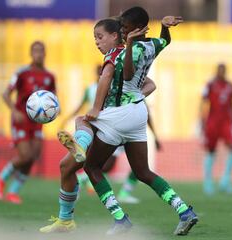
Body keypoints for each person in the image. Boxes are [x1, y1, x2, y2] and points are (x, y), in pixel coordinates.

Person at [58, 7, 197, 235]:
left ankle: (119, 217)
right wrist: (164, 26)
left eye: (125, 28)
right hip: (138, 113)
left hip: (120, 113)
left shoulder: (120, 53)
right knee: (143, 172)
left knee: (89, 151)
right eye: (121, 28)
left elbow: (127, 75)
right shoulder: (152, 45)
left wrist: (95, 108)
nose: (122, 32)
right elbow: (164, 43)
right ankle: (184, 211)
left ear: (136, 29)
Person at [39, 18, 157, 233]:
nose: (96, 41)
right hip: (114, 122)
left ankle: (81, 148)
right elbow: (150, 84)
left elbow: (119, 81)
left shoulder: (117, 57)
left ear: (115, 36)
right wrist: (133, 99)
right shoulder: (118, 59)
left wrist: (110, 105)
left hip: (110, 124)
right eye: (94, 38)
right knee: (67, 167)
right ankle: (66, 220)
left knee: (83, 126)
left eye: (99, 37)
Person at [61, 65, 162, 203]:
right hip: (110, 127)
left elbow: (147, 98)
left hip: (111, 126)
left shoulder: (126, 87)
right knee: (104, 165)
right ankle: (82, 178)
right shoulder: (99, 89)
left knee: (104, 165)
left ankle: (81, 169)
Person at [0, 41, 57, 204]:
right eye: (35, 51)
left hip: (37, 122)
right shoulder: (22, 73)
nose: (38, 54)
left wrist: (55, 111)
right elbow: (6, 94)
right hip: (20, 120)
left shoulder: (49, 77)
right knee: (25, 156)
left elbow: (53, 99)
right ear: (31, 53)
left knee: (33, 156)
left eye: (41, 51)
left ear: (45, 53)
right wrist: (14, 111)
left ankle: (13, 191)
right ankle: (1, 178)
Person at [200, 63, 232, 195]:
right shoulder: (209, 85)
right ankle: (208, 182)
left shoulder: (230, 86)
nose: (221, 73)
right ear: (216, 71)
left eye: (223, 70)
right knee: (211, 151)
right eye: (219, 70)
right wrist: (202, 121)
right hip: (212, 122)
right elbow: (203, 102)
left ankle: (225, 180)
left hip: (226, 122)